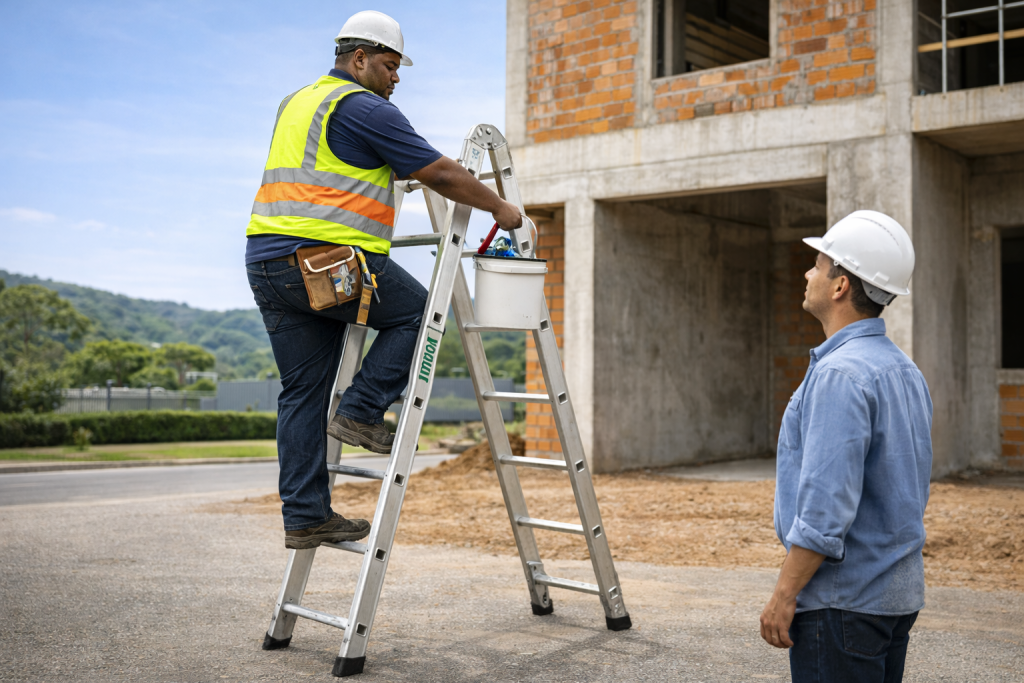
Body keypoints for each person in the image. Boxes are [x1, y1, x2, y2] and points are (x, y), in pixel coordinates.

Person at [245, 10, 522, 550]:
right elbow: (439, 173)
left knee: (302, 393)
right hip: (327, 260)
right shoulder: (366, 107)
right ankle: (361, 412)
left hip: (269, 264)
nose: (396, 78)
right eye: (391, 66)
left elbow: (334, 164)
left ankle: (306, 516)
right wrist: (498, 207)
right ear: (359, 59)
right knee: (422, 313)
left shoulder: (297, 102)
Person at [758, 210, 933, 682]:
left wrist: (784, 594)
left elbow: (825, 509)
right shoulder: (905, 371)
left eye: (817, 265)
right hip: (893, 599)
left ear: (840, 285)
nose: (807, 274)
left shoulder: (840, 374)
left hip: (842, 604)